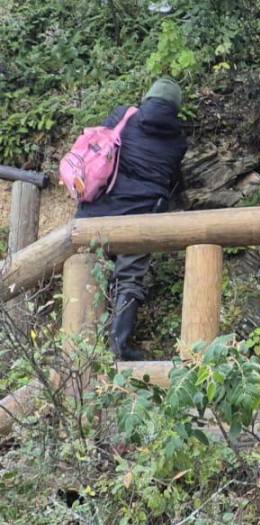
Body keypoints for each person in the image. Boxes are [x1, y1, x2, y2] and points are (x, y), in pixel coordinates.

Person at [75, 77, 188, 360]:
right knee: (129, 279)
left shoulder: (122, 115)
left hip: (96, 212)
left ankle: (80, 349)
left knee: (87, 268)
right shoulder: (178, 142)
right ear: (176, 109)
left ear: (147, 98)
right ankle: (120, 346)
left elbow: (97, 146)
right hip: (139, 220)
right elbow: (173, 179)